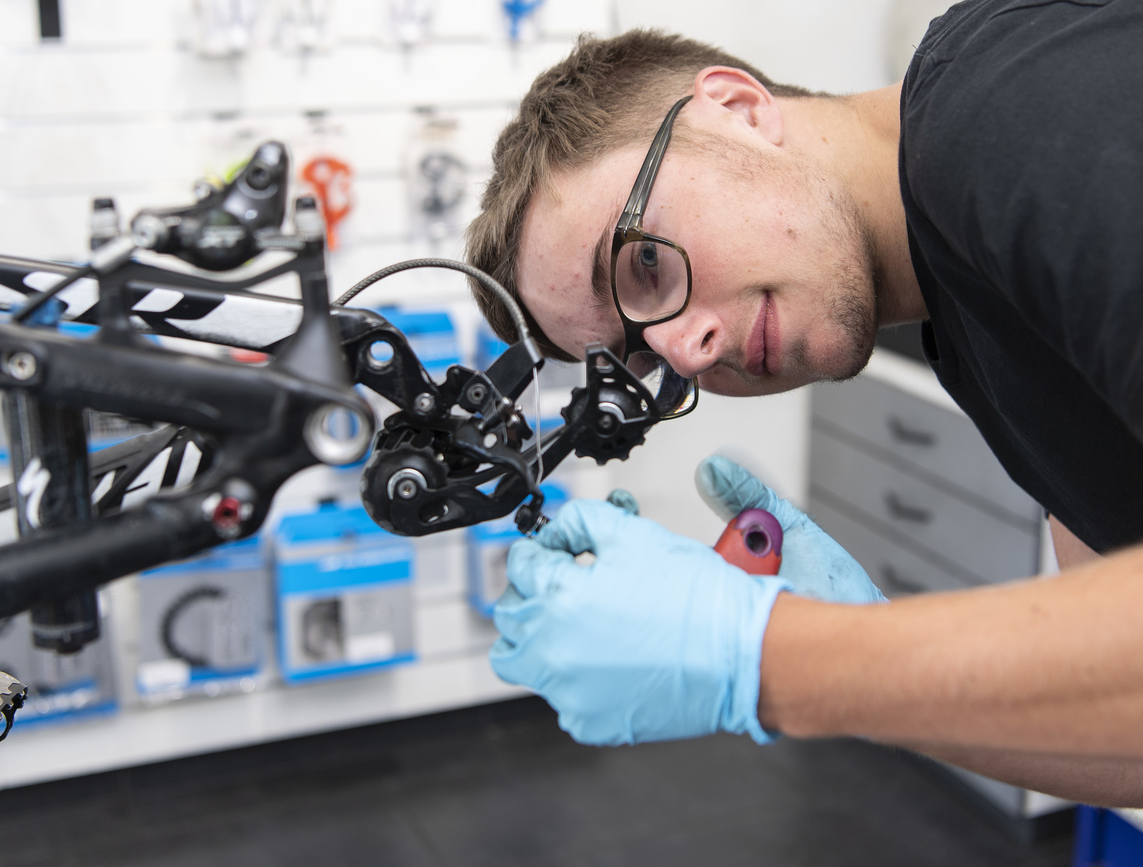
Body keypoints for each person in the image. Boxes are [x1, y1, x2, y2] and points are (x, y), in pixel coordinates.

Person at [464, 0, 1143, 807]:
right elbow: (1122, 731)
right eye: (640, 355)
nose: (685, 349)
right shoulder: (971, 312)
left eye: (644, 260)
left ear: (738, 109)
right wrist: (861, 646)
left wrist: (773, 659)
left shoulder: (1006, 105)